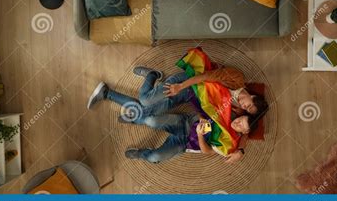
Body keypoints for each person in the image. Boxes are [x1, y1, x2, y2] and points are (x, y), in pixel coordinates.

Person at [87, 79, 259, 163]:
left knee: (155, 157)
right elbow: (206, 109)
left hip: (184, 143)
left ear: (244, 132)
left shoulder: (231, 144)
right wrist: (201, 120)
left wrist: (200, 136)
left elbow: (208, 152)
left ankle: (141, 151)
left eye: (240, 126)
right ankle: (114, 98)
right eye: (240, 119)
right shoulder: (230, 112)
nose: (236, 123)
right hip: (185, 122)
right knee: (149, 119)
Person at [163, 66, 265, 116]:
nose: (244, 107)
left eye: (247, 110)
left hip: (192, 97)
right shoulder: (236, 78)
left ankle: (153, 75)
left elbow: (246, 127)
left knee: (151, 119)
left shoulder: (238, 108)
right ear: (253, 97)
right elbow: (204, 76)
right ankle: (153, 75)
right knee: (147, 101)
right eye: (249, 105)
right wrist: (180, 86)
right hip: (190, 82)